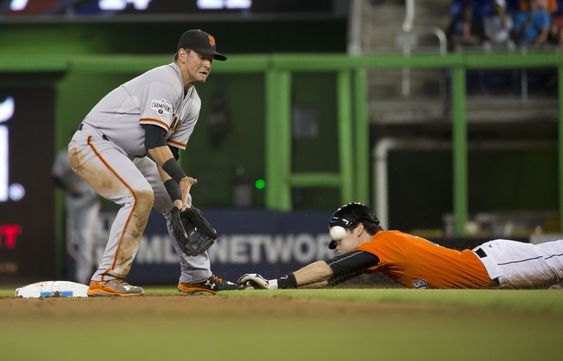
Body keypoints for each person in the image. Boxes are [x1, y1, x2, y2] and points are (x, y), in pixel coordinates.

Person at [68, 29, 238, 296]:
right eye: (202, 56)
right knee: (138, 195)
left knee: (181, 202)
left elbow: (167, 153)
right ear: (182, 55)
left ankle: (196, 277)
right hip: (94, 143)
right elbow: (154, 141)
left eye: (211, 59)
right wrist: (180, 176)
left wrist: (176, 196)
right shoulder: (165, 81)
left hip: (129, 154)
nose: (207, 64)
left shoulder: (193, 102)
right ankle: (106, 278)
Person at [239, 202, 563, 290]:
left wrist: (275, 283)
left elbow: (327, 268)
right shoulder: (374, 255)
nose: (335, 246)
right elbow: (326, 278)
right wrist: (276, 285)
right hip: (494, 276)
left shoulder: (385, 243)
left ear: (360, 229)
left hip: (496, 266)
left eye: (339, 235)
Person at [52, 147, 101, 285]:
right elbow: (55, 178)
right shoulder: (64, 156)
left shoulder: (95, 154)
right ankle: (97, 270)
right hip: (73, 199)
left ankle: (82, 277)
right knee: (83, 238)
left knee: (86, 237)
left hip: (90, 199)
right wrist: (68, 186)